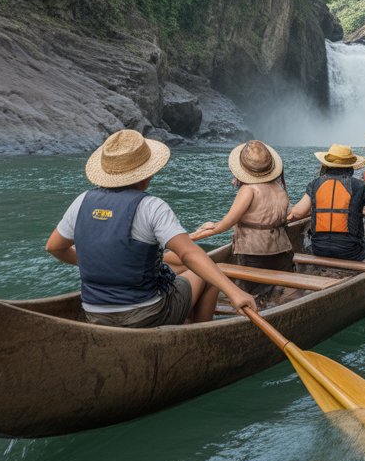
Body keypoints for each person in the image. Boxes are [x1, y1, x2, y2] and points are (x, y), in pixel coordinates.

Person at [44, 129, 256, 327]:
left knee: (174, 269)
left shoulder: (82, 201)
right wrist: (235, 292)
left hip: (93, 312)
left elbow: (54, 247)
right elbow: (189, 253)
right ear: (146, 175)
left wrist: (102, 262)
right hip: (147, 313)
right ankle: (202, 335)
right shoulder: (151, 206)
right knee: (210, 274)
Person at [192, 140, 294, 296]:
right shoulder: (279, 188)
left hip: (255, 254)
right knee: (275, 295)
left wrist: (191, 237)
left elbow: (225, 224)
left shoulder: (248, 190)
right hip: (283, 251)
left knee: (251, 295)